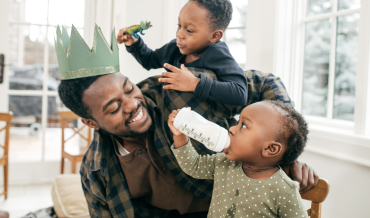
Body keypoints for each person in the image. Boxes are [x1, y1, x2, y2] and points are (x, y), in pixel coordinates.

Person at [55, 24, 319, 218]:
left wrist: (283, 154)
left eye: (128, 88)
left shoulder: (179, 88)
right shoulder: (95, 171)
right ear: (91, 123)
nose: (132, 104)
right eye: (113, 108)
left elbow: (264, 82)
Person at [168, 101, 309, 218]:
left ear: (270, 149)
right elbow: (194, 166)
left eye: (243, 125)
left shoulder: (284, 191)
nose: (231, 129)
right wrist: (180, 135)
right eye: (237, 122)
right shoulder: (224, 162)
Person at [117, 0, 248, 106]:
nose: (179, 34)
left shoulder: (218, 54)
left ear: (215, 36)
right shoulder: (173, 48)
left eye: (189, 30)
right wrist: (134, 43)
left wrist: (194, 84)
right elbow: (149, 60)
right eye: (179, 25)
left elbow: (240, 94)